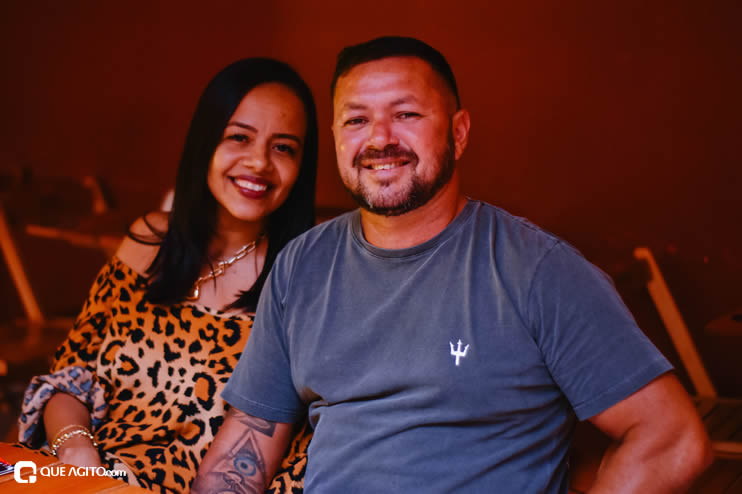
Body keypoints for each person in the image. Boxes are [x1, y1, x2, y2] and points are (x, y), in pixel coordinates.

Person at [193, 37, 712, 493]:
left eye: (406, 114)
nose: (379, 138)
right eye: (356, 119)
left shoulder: (537, 269)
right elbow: (247, 444)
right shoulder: (302, 266)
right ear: (336, 137)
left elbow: (672, 441)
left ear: (459, 133)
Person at [18, 57, 317, 493]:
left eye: (284, 147)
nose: (259, 162)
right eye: (239, 137)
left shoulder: (303, 281)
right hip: (79, 477)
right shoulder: (148, 242)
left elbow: (291, 457)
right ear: (204, 142)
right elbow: (70, 374)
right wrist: (76, 449)